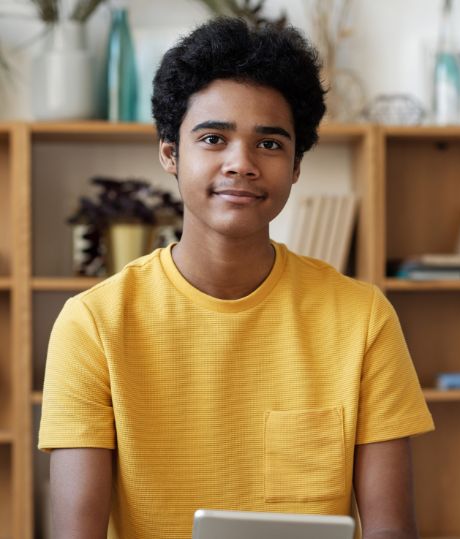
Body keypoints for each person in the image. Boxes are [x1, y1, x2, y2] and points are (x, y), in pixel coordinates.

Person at [39, 17, 434, 539]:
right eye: (213, 138)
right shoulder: (93, 324)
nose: (240, 163)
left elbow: (390, 532)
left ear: (295, 166)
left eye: (269, 144)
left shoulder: (362, 319)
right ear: (169, 154)